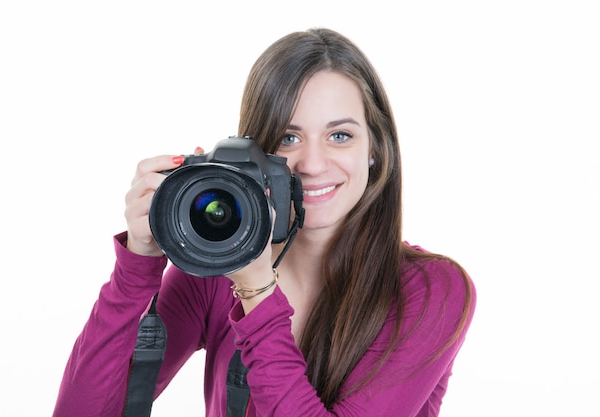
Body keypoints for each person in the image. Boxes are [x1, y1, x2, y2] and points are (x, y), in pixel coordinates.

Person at [53, 28, 476, 417]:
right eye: (288, 138)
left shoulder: (431, 291)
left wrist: (257, 291)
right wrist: (137, 265)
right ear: (253, 155)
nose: (311, 164)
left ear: (375, 149)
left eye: (340, 135)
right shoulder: (215, 274)